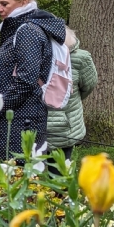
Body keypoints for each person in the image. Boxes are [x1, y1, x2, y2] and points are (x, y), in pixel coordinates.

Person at [0, 0, 65, 160]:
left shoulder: (28, 31)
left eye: (4, 4)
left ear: (23, 2)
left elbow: (26, 80)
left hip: (21, 122)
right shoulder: (20, 28)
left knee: (18, 174)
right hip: (17, 118)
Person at [46, 27, 97, 161]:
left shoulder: (80, 58)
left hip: (64, 126)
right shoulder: (36, 55)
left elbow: (88, 85)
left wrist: (69, 99)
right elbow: (87, 87)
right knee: (60, 170)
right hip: (57, 124)